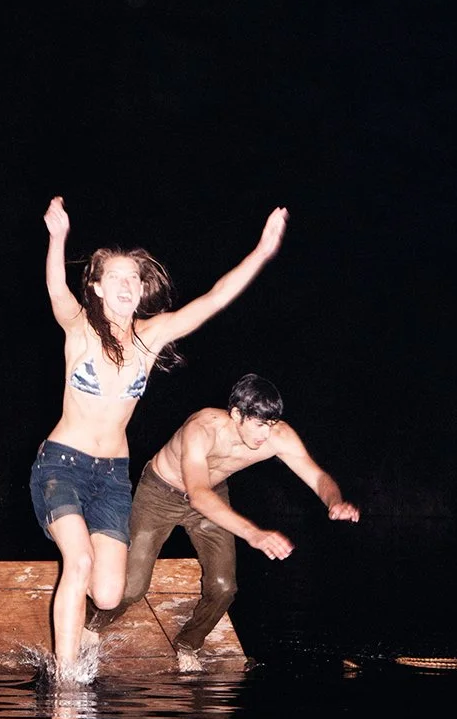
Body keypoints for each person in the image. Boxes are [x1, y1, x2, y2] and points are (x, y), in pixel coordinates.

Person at [32, 197, 288, 676]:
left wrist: (262, 251)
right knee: (80, 561)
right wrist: (57, 238)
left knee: (110, 593)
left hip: (111, 475)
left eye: (134, 278)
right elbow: (54, 286)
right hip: (61, 465)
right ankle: (65, 682)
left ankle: (70, 642)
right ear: (98, 287)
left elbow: (213, 299)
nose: (128, 285)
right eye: (116, 278)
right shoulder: (79, 328)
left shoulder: (151, 338)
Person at [86, 373, 360, 671]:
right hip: (160, 494)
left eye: (270, 425)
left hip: (212, 496)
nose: (265, 435)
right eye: (258, 425)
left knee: (224, 587)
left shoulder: (277, 436)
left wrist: (335, 502)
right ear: (236, 414)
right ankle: (89, 625)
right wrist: (253, 534)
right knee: (132, 588)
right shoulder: (201, 429)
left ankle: (188, 643)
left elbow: (318, 476)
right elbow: (198, 495)